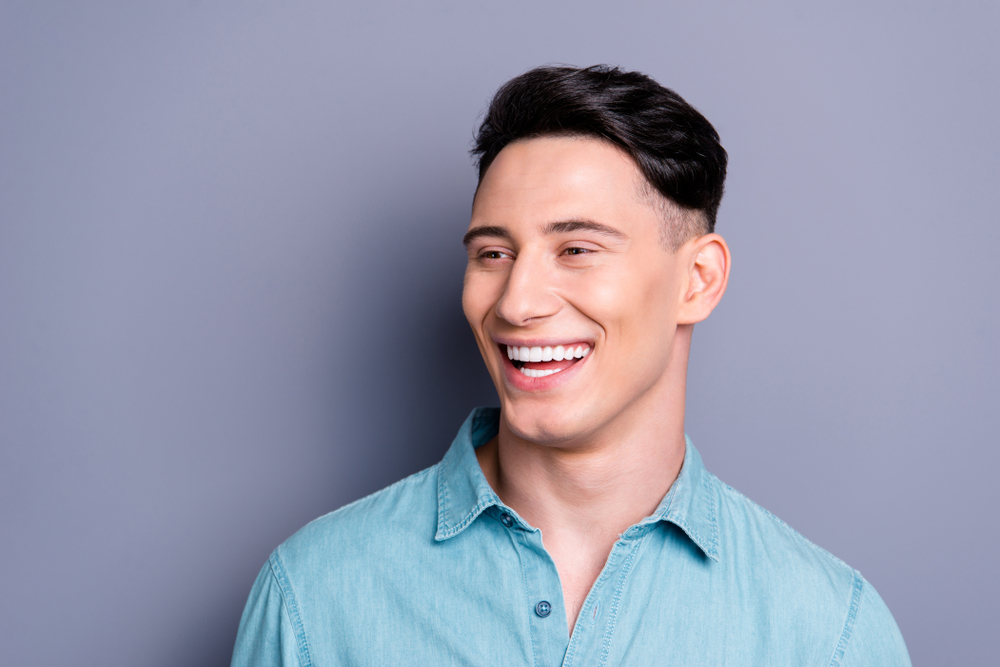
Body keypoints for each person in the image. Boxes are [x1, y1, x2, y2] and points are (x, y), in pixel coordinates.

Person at [230, 65, 911, 666]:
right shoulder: (314, 597)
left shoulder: (829, 632)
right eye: (493, 253)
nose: (517, 303)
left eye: (577, 249)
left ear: (698, 280)